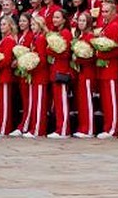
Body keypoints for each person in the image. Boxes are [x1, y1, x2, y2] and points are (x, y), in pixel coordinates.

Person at [94, 0, 118, 139]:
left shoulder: (114, 26)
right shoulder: (106, 26)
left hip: (111, 68)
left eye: (106, 12)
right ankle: (107, 126)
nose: (103, 14)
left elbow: (116, 49)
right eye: (102, 12)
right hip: (104, 69)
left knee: (111, 100)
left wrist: (102, 54)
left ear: (113, 12)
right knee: (106, 100)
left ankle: (113, 129)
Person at [19, 15, 50, 138]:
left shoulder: (41, 39)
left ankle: (38, 129)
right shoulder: (35, 38)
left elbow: (42, 59)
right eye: (31, 25)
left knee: (39, 103)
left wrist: (32, 65)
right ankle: (33, 127)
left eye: (34, 25)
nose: (32, 27)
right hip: (34, 74)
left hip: (40, 75)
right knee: (34, 102)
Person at [45, 8, 73, 138]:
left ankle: (63, 129)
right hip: (55, 68)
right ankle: (59, 127)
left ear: (63, 19)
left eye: (57, 17)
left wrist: (51, 51)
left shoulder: (66, 33)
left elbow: (66, 53)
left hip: (62, 69)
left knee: (62, 101)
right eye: (54, 17)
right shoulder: (56, 33)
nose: (55, 20)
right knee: (57, 101)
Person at [0, 16, 19, 136]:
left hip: (6, 74)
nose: (2, 26)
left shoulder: (9, 40)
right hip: (1, 74)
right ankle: (0, 125)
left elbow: (7, 59)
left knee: (5, 103)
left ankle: (4, 128)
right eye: (1, 24)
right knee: (1, 102)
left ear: (11, 26)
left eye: (5, 24)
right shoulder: (4, 39)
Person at [71, 12, 97, 138]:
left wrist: (78, 59)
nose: (80, 23)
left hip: (88, 72)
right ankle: (83, 127)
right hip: (81, 72)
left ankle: (89, 129)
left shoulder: (90, 36)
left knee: (87, 100)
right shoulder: (80, 37)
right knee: (81, 100)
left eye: (83, 21)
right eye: (79, 20)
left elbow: (91, 57)